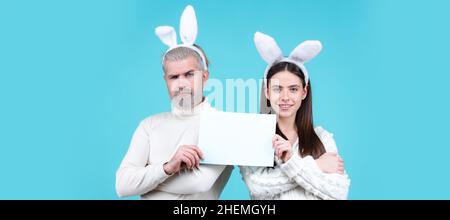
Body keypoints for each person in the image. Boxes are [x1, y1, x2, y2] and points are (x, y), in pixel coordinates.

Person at [115, 5, 233, 200]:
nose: (181, 84)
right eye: (174, 77)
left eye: (189, 74)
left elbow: (199, 183)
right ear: (165, 80)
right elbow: (122, 185)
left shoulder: (223, 125)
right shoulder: (149, 125)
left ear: (204, 76)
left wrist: (145, 184)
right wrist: (168, 167)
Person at [240, 32, 350, 200]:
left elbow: (339, 192)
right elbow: (258, 186)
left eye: (293, 89)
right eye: (278, 88)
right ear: (267, 91)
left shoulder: (322, 137)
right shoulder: (253, 136)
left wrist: (291, 162)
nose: (285, 97)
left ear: (304, 92)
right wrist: (317, 165)